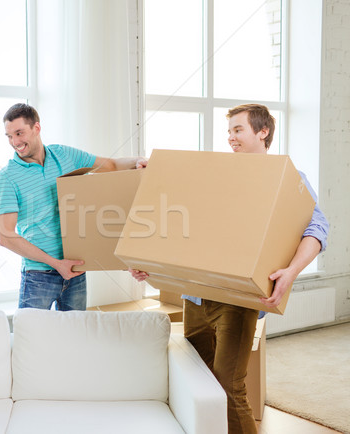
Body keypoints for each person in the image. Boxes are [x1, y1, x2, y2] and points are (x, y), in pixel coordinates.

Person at [129, 104, 329, 434]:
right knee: (196, 381)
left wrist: (291, 271)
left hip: (238, 301)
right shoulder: (216, 171)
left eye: (238, 130)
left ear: (262, 132)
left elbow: (317, 227)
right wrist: (152, 264)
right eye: (230, 131)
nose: (231, 137)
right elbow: (183, 219)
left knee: (228, 386)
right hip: (195, 296)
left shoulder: (287, 178)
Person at [0, 103, 146, 311]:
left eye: (19, 133)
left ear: (36, 128)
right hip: (38, 277)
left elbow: (110, 165)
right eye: (9, 136)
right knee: (32, 339)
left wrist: (138, 160)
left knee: (75, 338)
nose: (15, 142)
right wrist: (56, 264)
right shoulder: (8, 177)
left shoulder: (63, 155)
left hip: (75, 273)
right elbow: (5, 236)